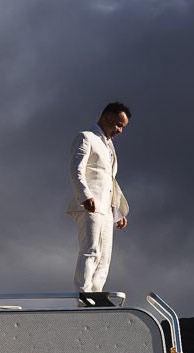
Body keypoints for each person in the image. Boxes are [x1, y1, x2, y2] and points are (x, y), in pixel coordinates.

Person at [68, 102, 131, 293]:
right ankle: (84, 294)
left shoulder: (109, 147)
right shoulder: (86, 137)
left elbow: (109, 181)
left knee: (104, 256)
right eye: (118, 124)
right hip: (89, 204)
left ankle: (96, 296)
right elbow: (76, 169)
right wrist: (85, 195)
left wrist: (118, 211)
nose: (120, 130)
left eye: (123, 127)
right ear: (106, 117)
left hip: (106, 209)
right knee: (91, 250)